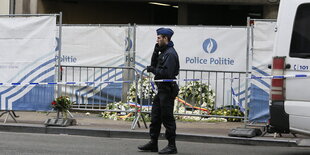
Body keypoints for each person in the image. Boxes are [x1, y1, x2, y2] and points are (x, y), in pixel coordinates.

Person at [138, 28, 180, 154]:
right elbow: (154, 64)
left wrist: (154, 70)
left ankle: (172, 146)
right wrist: (156, 51)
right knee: (155, 116)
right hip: (161, 90)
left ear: (166, 38)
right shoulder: (164, 52)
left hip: (167, 90)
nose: (157, 40)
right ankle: (153, 143)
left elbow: (167, 73)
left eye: (159, 38)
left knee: (167, 118)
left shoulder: (170, 54)